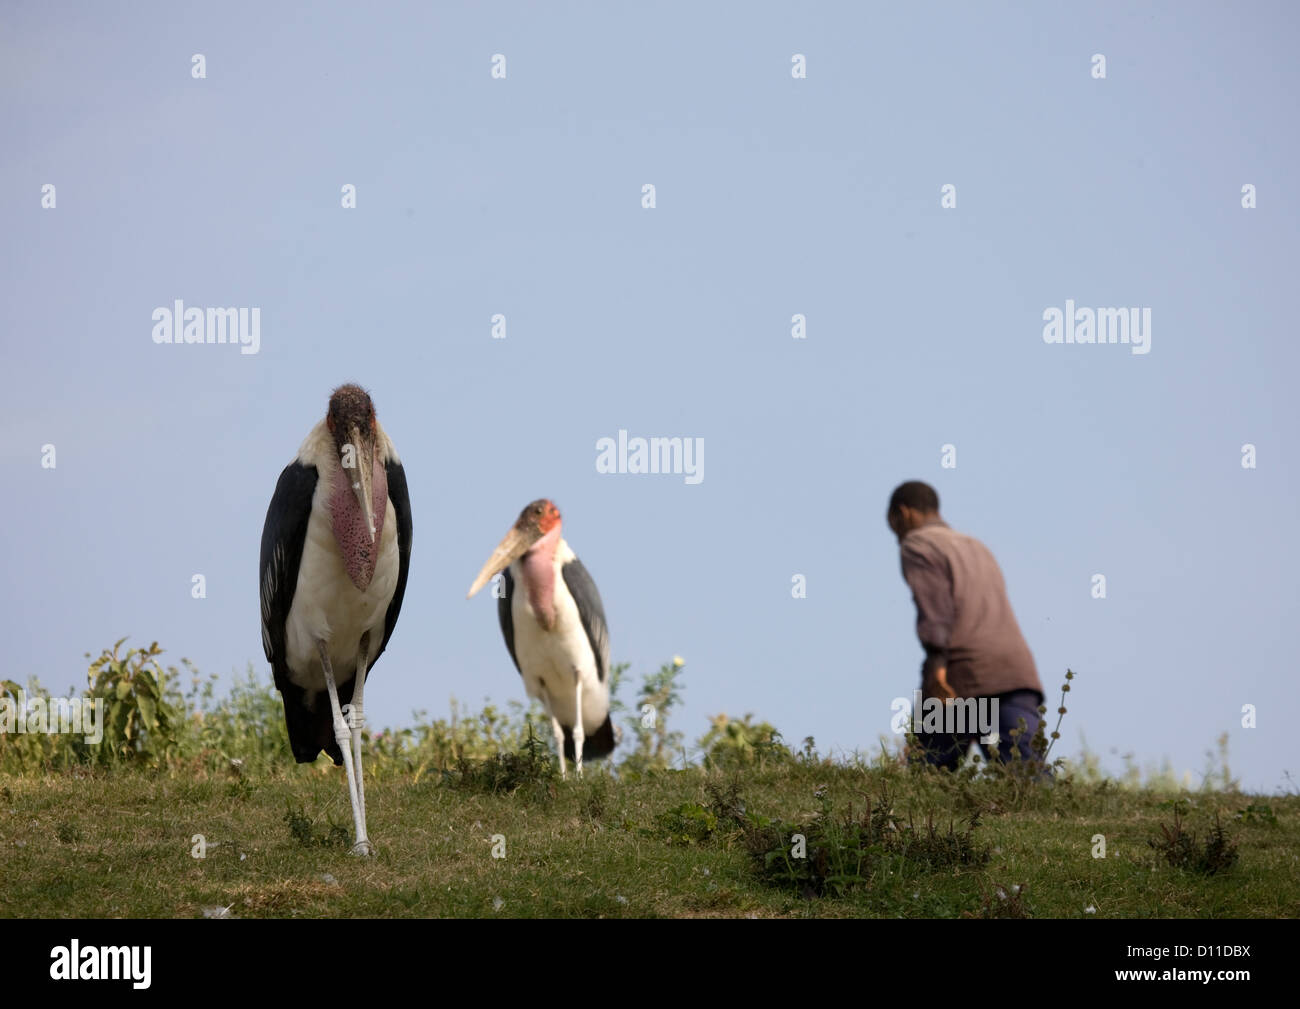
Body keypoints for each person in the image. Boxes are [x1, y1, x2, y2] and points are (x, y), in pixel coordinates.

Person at [887, 480, 1047, 772]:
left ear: (903, 514)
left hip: (962, 675)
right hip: (1016, 672)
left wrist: (937, 671)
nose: (896, 537)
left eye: (893, 526)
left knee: (927, 780)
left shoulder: (918, 544)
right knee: (1029, 778)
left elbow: (936, 611)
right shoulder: (976, 546)